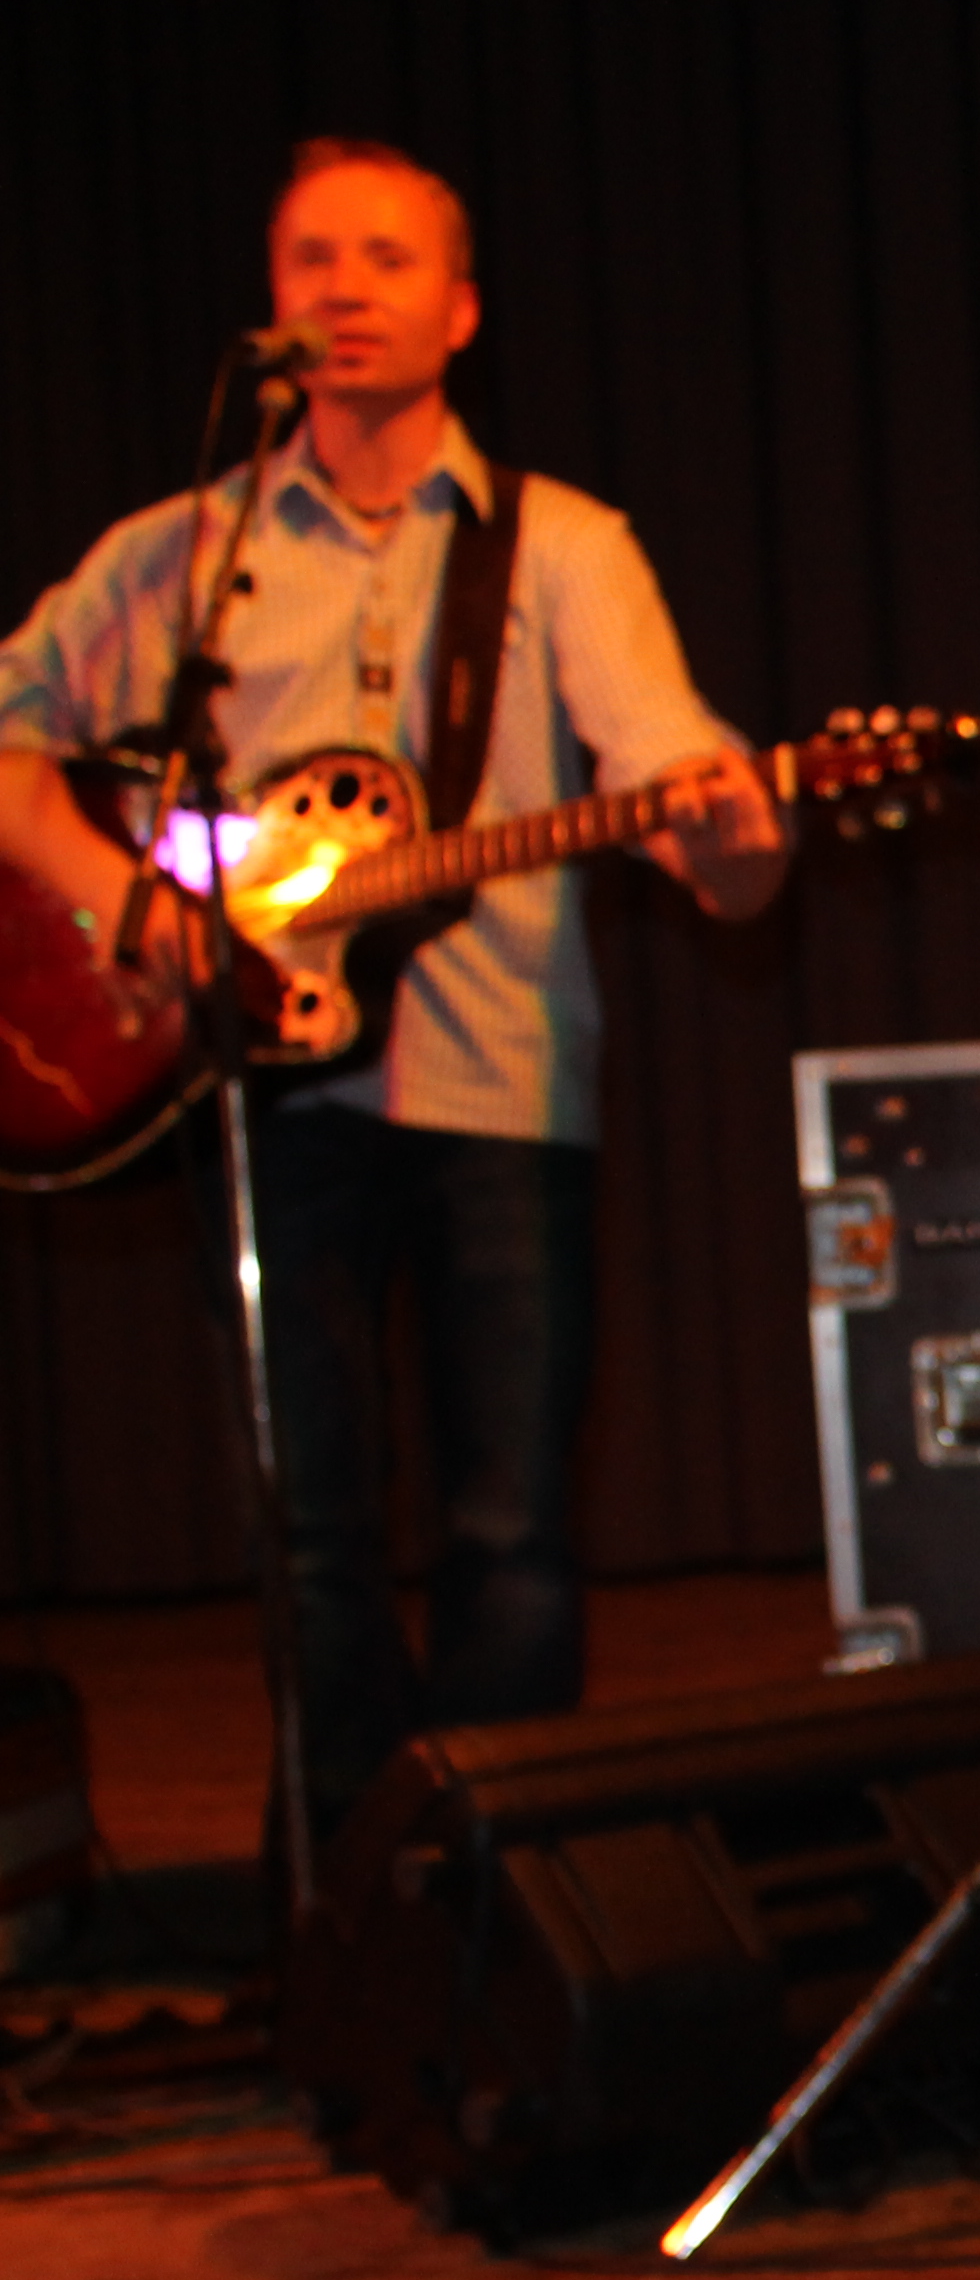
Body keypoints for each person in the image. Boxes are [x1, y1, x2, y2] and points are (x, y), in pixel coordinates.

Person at [0, 136, 788, 1834]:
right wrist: (125, 900)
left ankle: (500, 1883)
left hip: (498, 1079)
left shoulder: (560, 546)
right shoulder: (183, 553)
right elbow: (10, 735)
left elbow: (682, 797)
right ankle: (349, 1896)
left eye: (385, 259)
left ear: (461, 310)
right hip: (249, 1092)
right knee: (310, 1531)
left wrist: (737, 829)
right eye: (312, 259)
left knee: (511, 1526)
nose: (344, 290)